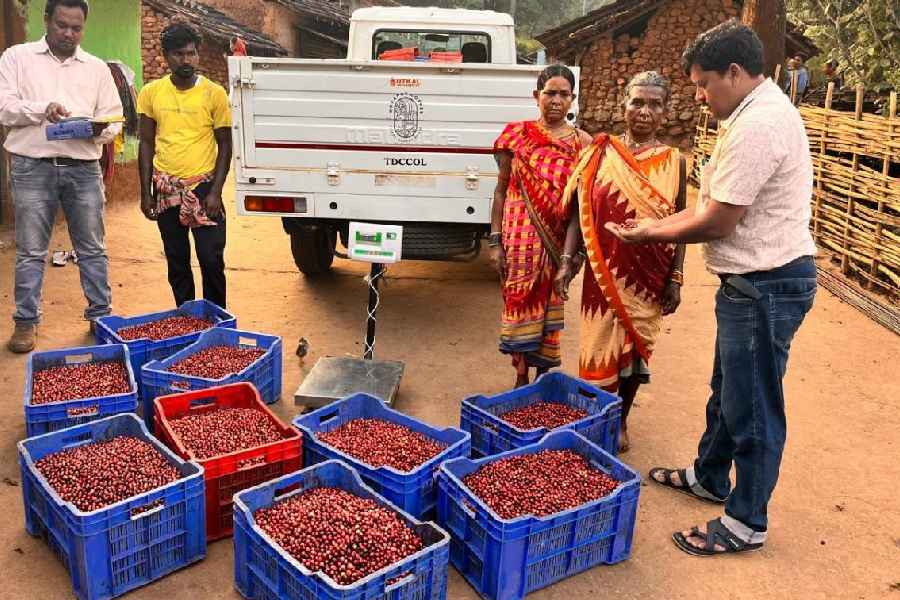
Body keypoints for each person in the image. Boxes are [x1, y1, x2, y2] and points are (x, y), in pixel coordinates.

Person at [606, 20, 817, 556]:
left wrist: (647, 232)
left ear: (735, 72)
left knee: (753, 407)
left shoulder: (758, 125)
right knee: (729, 391)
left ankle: (746, 523)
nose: (699, 96)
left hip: (764, 284)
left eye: (704, 84)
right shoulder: (754, 111)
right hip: (753, 282)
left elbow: (718, 220)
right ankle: (709, 477)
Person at [554, 71, 687, 453]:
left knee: (634, 354)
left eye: (655, 104)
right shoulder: (598, 153)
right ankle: (596, 419)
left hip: (649, 275)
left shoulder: (675, 162)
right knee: (598, 347)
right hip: (602, 271)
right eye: (638, 102)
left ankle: (622, 420)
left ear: (665, 112)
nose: (645, 111)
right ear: (623, 105)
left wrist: (676, 277)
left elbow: (680, 222)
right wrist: (567, 261)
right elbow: (580, 214)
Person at [0, 0, 122, 353]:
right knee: (31, 250)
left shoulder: (97, 68)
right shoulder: (16, 58)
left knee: (92, 248)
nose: (69, 34)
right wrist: (43, 109)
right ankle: (26, 323)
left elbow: (113, 119)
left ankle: (100, 316)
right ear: (47, 21)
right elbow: (4, 108)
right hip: (31, 165)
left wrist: (96, 131)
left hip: (82, 167)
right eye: (62, 26)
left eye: (76, 28)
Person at [490, 64, 592, 388]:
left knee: (550, 311)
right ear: (537, 96)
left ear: (573, 99)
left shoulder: (583, 144)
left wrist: (571, 257)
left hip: (557, 243)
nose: (556, 101)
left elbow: (580, 205)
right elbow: (501, 189)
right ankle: (520, 374)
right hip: (518, 240)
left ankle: (540, 379)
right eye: (550, 93)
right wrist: (495, 242)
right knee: (519, 304)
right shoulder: (516, 135)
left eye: (564, 94)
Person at [137, 23, 232, 309]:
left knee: (211, 258)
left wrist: (215, 191)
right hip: (166, 190)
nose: (186, 60)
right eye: (179, 54)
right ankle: (186, 318)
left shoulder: (214, 94)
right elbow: (146, 143)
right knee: (177, 261)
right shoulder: (152, 93)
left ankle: (216, 318)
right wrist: (146, 192)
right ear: (166, 56)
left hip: (204, 189)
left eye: (191, 53)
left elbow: (225, 144)